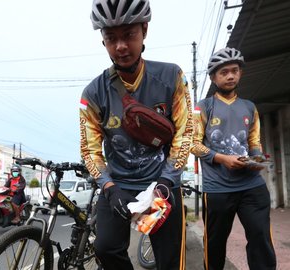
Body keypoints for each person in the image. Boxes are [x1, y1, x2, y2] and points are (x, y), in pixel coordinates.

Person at [79, 0, 194, 269]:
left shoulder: (172, 76)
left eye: (129, 35)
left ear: (144, 30)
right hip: (118, 186)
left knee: (169, 261)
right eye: (111, 38)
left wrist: (168, 180)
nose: (120, 46)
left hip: (160, 185)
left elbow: (186, 132)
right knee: (105, 248)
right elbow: (90, 150)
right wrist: (108, 186)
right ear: (103, 41)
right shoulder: (93, 93)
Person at [190, 47, 277, 270]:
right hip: (218, 189)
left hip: (252, 186)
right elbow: (191, 144)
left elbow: (254, 142)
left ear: (240, 73)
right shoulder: (203, 107)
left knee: (261, 239)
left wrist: (256, 159)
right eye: (224, 72)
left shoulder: (249, 107)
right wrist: (221, 158)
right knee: (215, 244)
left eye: (234, 71)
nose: (230, 76)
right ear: (213, 77)